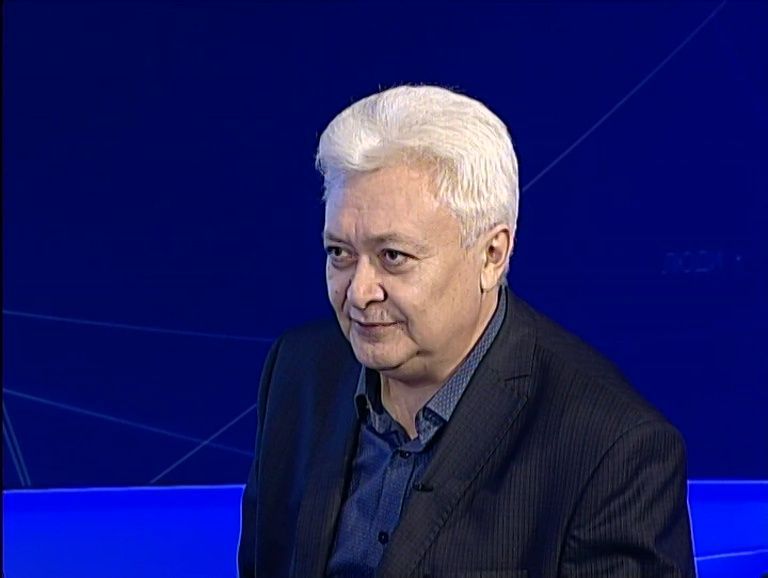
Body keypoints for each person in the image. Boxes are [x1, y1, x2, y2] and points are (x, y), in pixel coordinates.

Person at [238, 85, 695, 578]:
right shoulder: (299, 372)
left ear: (492, 255)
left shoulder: (613, 447)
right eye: (340, 254)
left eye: (393, 256)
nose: (360, 292)